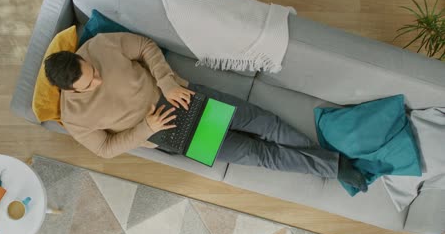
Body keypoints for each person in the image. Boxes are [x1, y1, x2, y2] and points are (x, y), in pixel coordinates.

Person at [44, 32, 367, 191]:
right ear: (71, 91)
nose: (97, 77)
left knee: (265, 122)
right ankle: (334, 165)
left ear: (79, 58)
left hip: (182, 97)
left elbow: (144, 47)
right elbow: (104, 148)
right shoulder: (75, 118)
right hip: (166, 132)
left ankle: (333, 165)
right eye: (90, 83)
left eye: (93, 71)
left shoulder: (100, 46)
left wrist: (167, 82)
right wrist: (146, 128)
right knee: (259, 154)